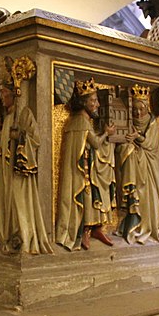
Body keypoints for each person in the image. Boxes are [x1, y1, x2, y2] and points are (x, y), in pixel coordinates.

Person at [0, 60, 53, 254]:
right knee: (6, 201)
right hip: (5, 168)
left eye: (4, 93)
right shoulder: (8, 117)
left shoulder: (24, 113)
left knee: (19, 201)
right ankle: (8, 235)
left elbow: (36, 139)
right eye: (0, 94)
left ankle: (23, 237)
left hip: (20, 169)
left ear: (13, 93)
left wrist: (20, 136)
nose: (2, 98)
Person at [55, 78, 116, 251]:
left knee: (95, 194)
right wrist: (106, 133)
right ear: (83, 102)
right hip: (81, 170)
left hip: (89, 166)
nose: (97, 104)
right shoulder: (81, 121)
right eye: (93, 101)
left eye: (97, 100)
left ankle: (96, 228)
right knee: (87, 196)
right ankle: (85, 230)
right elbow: (95, 143)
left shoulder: (81, 120)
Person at [116, 85, 159, 244]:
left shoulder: (151, 122)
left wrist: (138, 138)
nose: (137, 113)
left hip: (149, 166)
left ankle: (154, 225)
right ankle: (136, 223)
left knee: (150, 196)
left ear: (146, 107)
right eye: (135, 110)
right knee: (127, 152)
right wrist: (128, 144)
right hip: (136, 165)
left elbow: (152, 145)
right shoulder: (128, 121)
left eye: (140, 109)